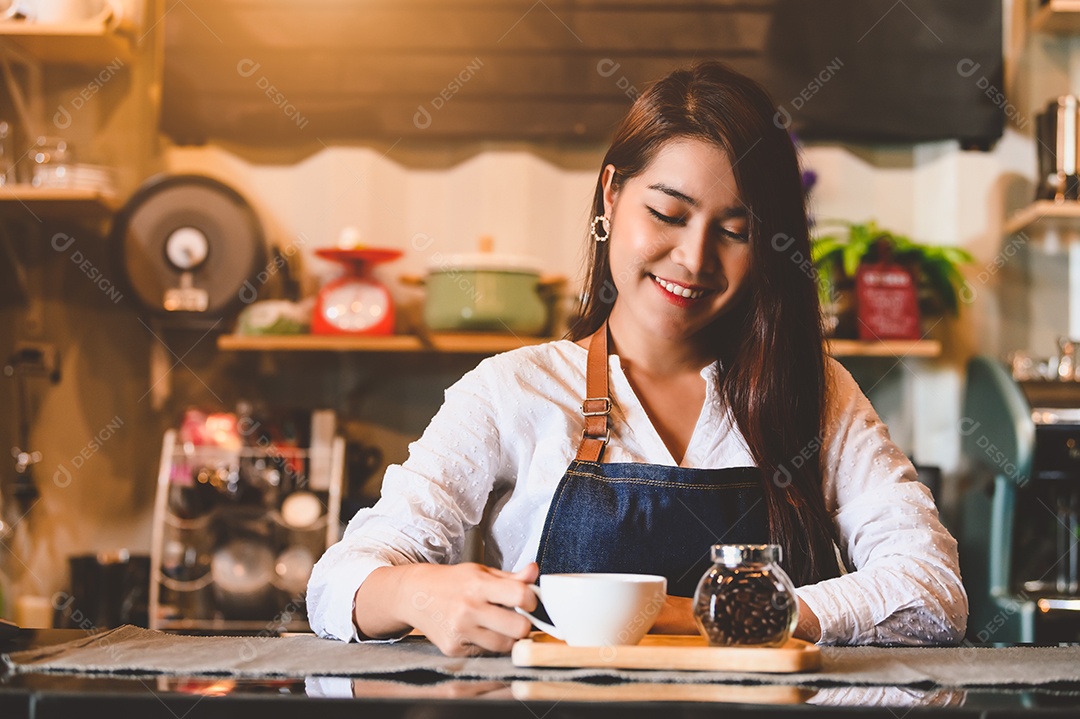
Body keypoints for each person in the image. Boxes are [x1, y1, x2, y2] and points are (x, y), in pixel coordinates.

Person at [307, 61, 968, 656]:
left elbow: (933, 590)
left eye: (735, 232)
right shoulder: (514, 390)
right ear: (611, 197)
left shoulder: (813, 389)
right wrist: (419, 593)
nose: (694, 257)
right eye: (668, 213)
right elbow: (337, 583)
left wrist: (718, 614)